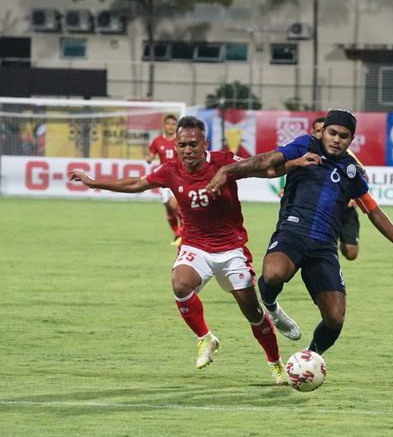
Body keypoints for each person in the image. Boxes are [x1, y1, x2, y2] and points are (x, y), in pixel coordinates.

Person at [69, 116, 319, 384]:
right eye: (181, 145)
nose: (187, 150)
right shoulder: (170, 169)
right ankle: (205, 338)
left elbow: (267, 171)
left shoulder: (224, 161)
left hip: (231, 250)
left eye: (192, 144)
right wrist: (96, 183)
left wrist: (294, 164)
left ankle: (276, 363)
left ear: (204, 144)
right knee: (180, 284)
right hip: (195, 246)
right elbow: (138, 183)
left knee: (252, 312)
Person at [206, 109, 393, 356]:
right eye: (332, 133)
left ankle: (309, 358)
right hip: (292, 233)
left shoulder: (351, 170)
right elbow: (269, 161)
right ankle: (271, 305)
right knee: (273, 274)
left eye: (344, 136)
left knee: (335, 318)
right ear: (322, 132)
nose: (336, 139)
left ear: (351, 140)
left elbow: (374, 212)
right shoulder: (304, 145)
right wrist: (227, 171)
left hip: (324, 248)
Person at [312, 116, 363, 261]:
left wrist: (354, 197)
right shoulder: (307, 151)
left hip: (344, 211)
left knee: (351, 253)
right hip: (318, 212)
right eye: (318, 131)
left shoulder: (346, 156)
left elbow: (362, 177)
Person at [146, 114, 181, 246]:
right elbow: (151, 154)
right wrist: (149, 158)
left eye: (173, 124)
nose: (171, 127)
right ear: (164, 126)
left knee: (175, 206)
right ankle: (177, 233)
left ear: (176, 127)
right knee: (168, 207)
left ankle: (184, 233)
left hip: (177, 177)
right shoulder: (157, 141)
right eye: (168, 124)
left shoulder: (179, 141)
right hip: (163, 178)